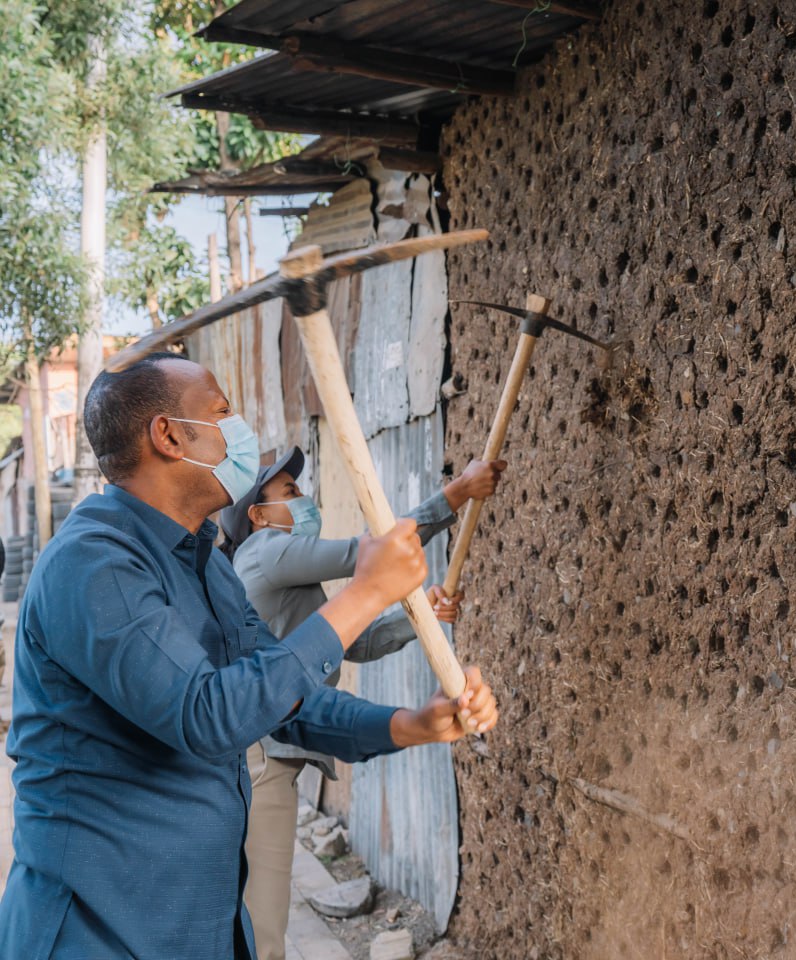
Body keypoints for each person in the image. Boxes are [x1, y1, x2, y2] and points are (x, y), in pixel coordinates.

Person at [0, 353, 498, 960]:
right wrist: (367, 594)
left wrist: (411, 724)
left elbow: (284, 699)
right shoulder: (93, 563)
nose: (240, 430)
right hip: (101, 927)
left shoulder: (208, 565)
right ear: (169, 436)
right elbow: (209, 715)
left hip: (199, 917)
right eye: (222, 412)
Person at [221, 447, 504, 960]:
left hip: (271, 751)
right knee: (263, 929)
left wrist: (422, 617)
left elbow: (355, 642)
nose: (304, 498)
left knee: (258, 915)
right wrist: (458, 492)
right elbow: (373, 552)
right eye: (289, 492)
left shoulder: (284, 578)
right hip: (264, 755)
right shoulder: (266, 550)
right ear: (258, 516)